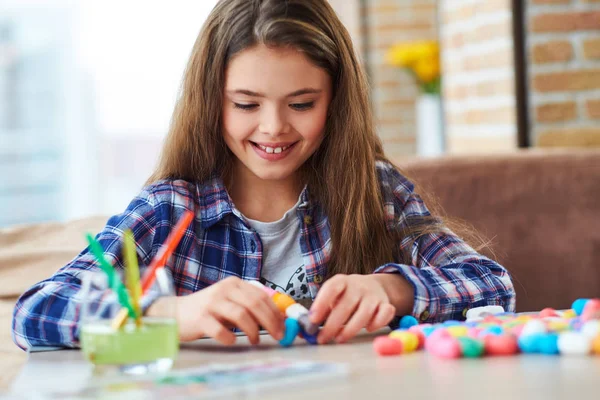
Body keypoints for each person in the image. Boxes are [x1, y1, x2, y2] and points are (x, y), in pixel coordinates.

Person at [12, 0, 515, 351]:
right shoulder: (171, 208)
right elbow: (36, 312)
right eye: (246, 104)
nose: (273, 127)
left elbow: (493, 287)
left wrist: (391, 290)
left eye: (301, 103)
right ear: (212, 102)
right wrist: (172, 315)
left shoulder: (376, 190)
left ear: (335, 102)